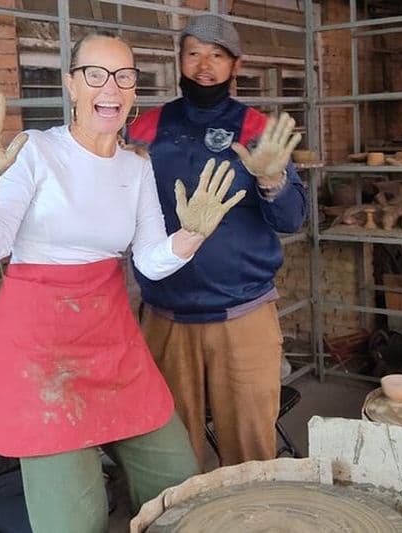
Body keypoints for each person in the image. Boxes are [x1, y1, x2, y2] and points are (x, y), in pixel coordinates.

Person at [0, 31, 245, 533]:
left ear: (133, 90)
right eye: (96, 75)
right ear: (71, 85)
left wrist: (190, 235)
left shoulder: (135, 167)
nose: (111, 87)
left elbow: (149, 261)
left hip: (110, 339)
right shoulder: (34, 152)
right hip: (39, 352)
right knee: (76, 519)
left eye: (124, 76)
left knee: (177, 480)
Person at [127, 14, 307, 468]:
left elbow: (292, 219)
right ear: (179, 60)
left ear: (235, 65)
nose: (204, 65)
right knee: (170, 456)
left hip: (242, 312)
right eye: (194, 54)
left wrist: (273, 179)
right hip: (166, 315)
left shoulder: (256, 129)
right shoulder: (145, 129)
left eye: (217, 55)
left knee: (250, 450)